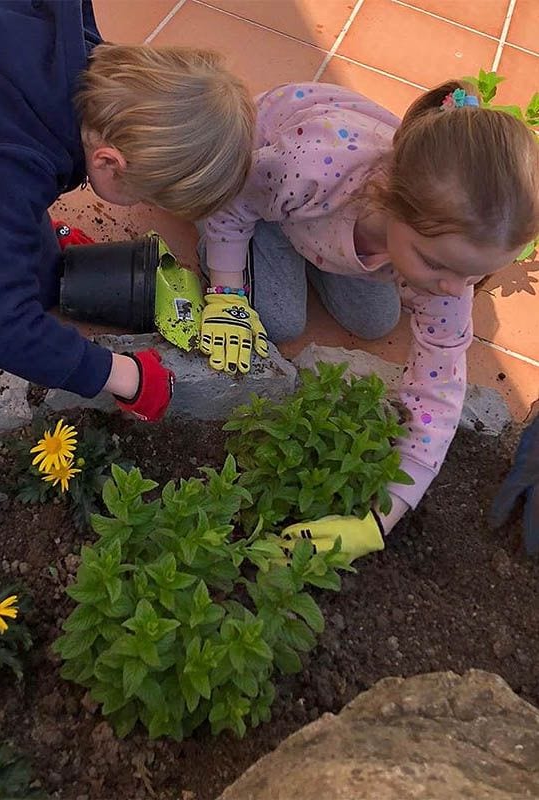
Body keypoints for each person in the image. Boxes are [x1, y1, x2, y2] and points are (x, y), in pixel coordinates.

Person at [0, 0, 254, 422]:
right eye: (146, 196)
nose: (143, 205)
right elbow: (1, 332)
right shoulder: (8, 159)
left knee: (40, 278)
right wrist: (122, 374)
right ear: (110, 162)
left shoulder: (84, 69)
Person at [198, 79, 539, 554]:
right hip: (266, 190)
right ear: (387, 197)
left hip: (343, 226)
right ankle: (272, 249)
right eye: (438, 265)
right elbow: (236, 198)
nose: (452, 289)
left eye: (473, 276)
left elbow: (438, 389)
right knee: (279, 321)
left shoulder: (443, 262)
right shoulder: (307, 168)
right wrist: (226, 292)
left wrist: (381, 521)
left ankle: (323, 250)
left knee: (377, 322)